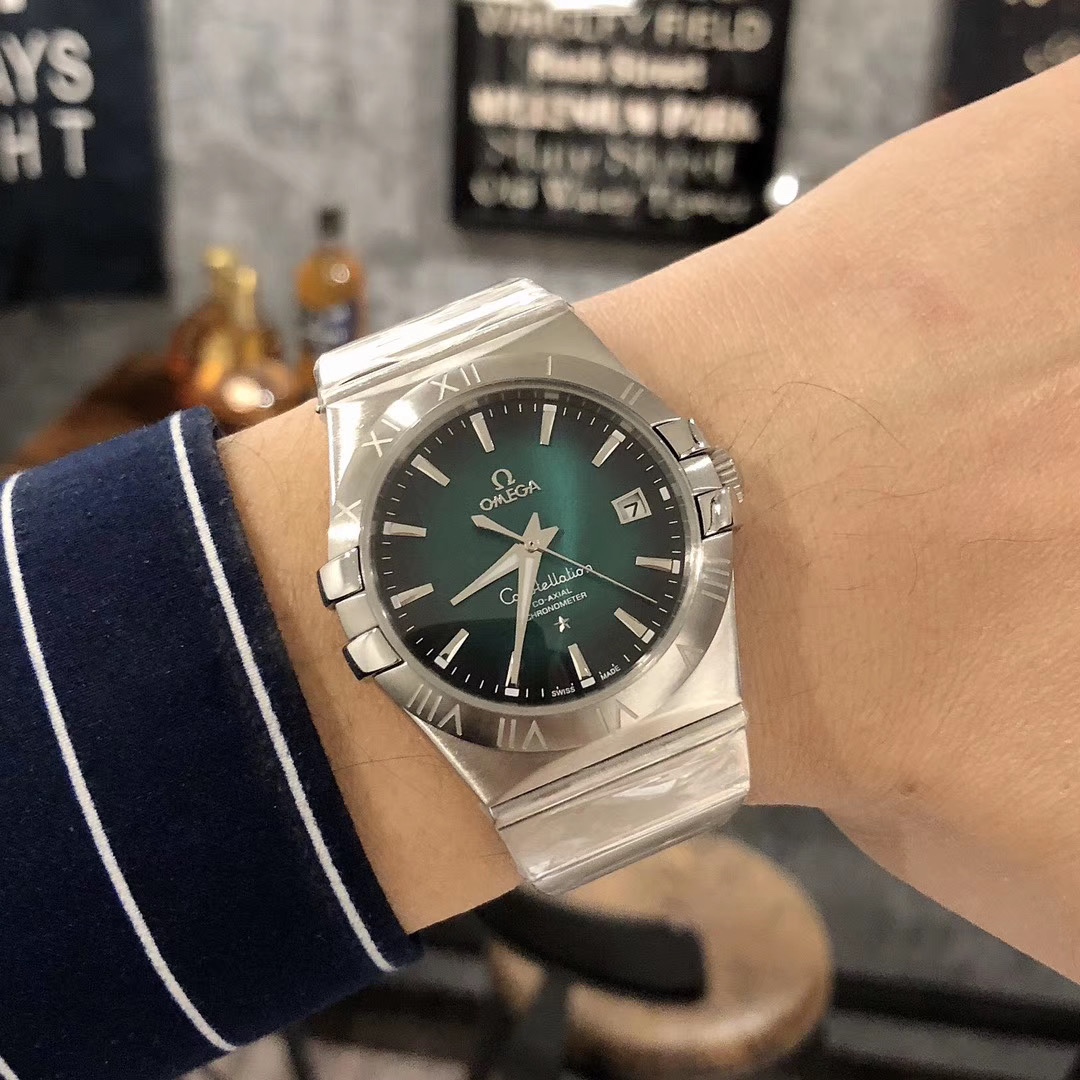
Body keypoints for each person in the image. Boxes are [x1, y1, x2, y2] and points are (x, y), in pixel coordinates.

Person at [2, 54, 1080, 1080]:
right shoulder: (388, 591)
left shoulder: (665, 491)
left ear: (700, 481)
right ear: (354, 604)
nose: (532, 543)